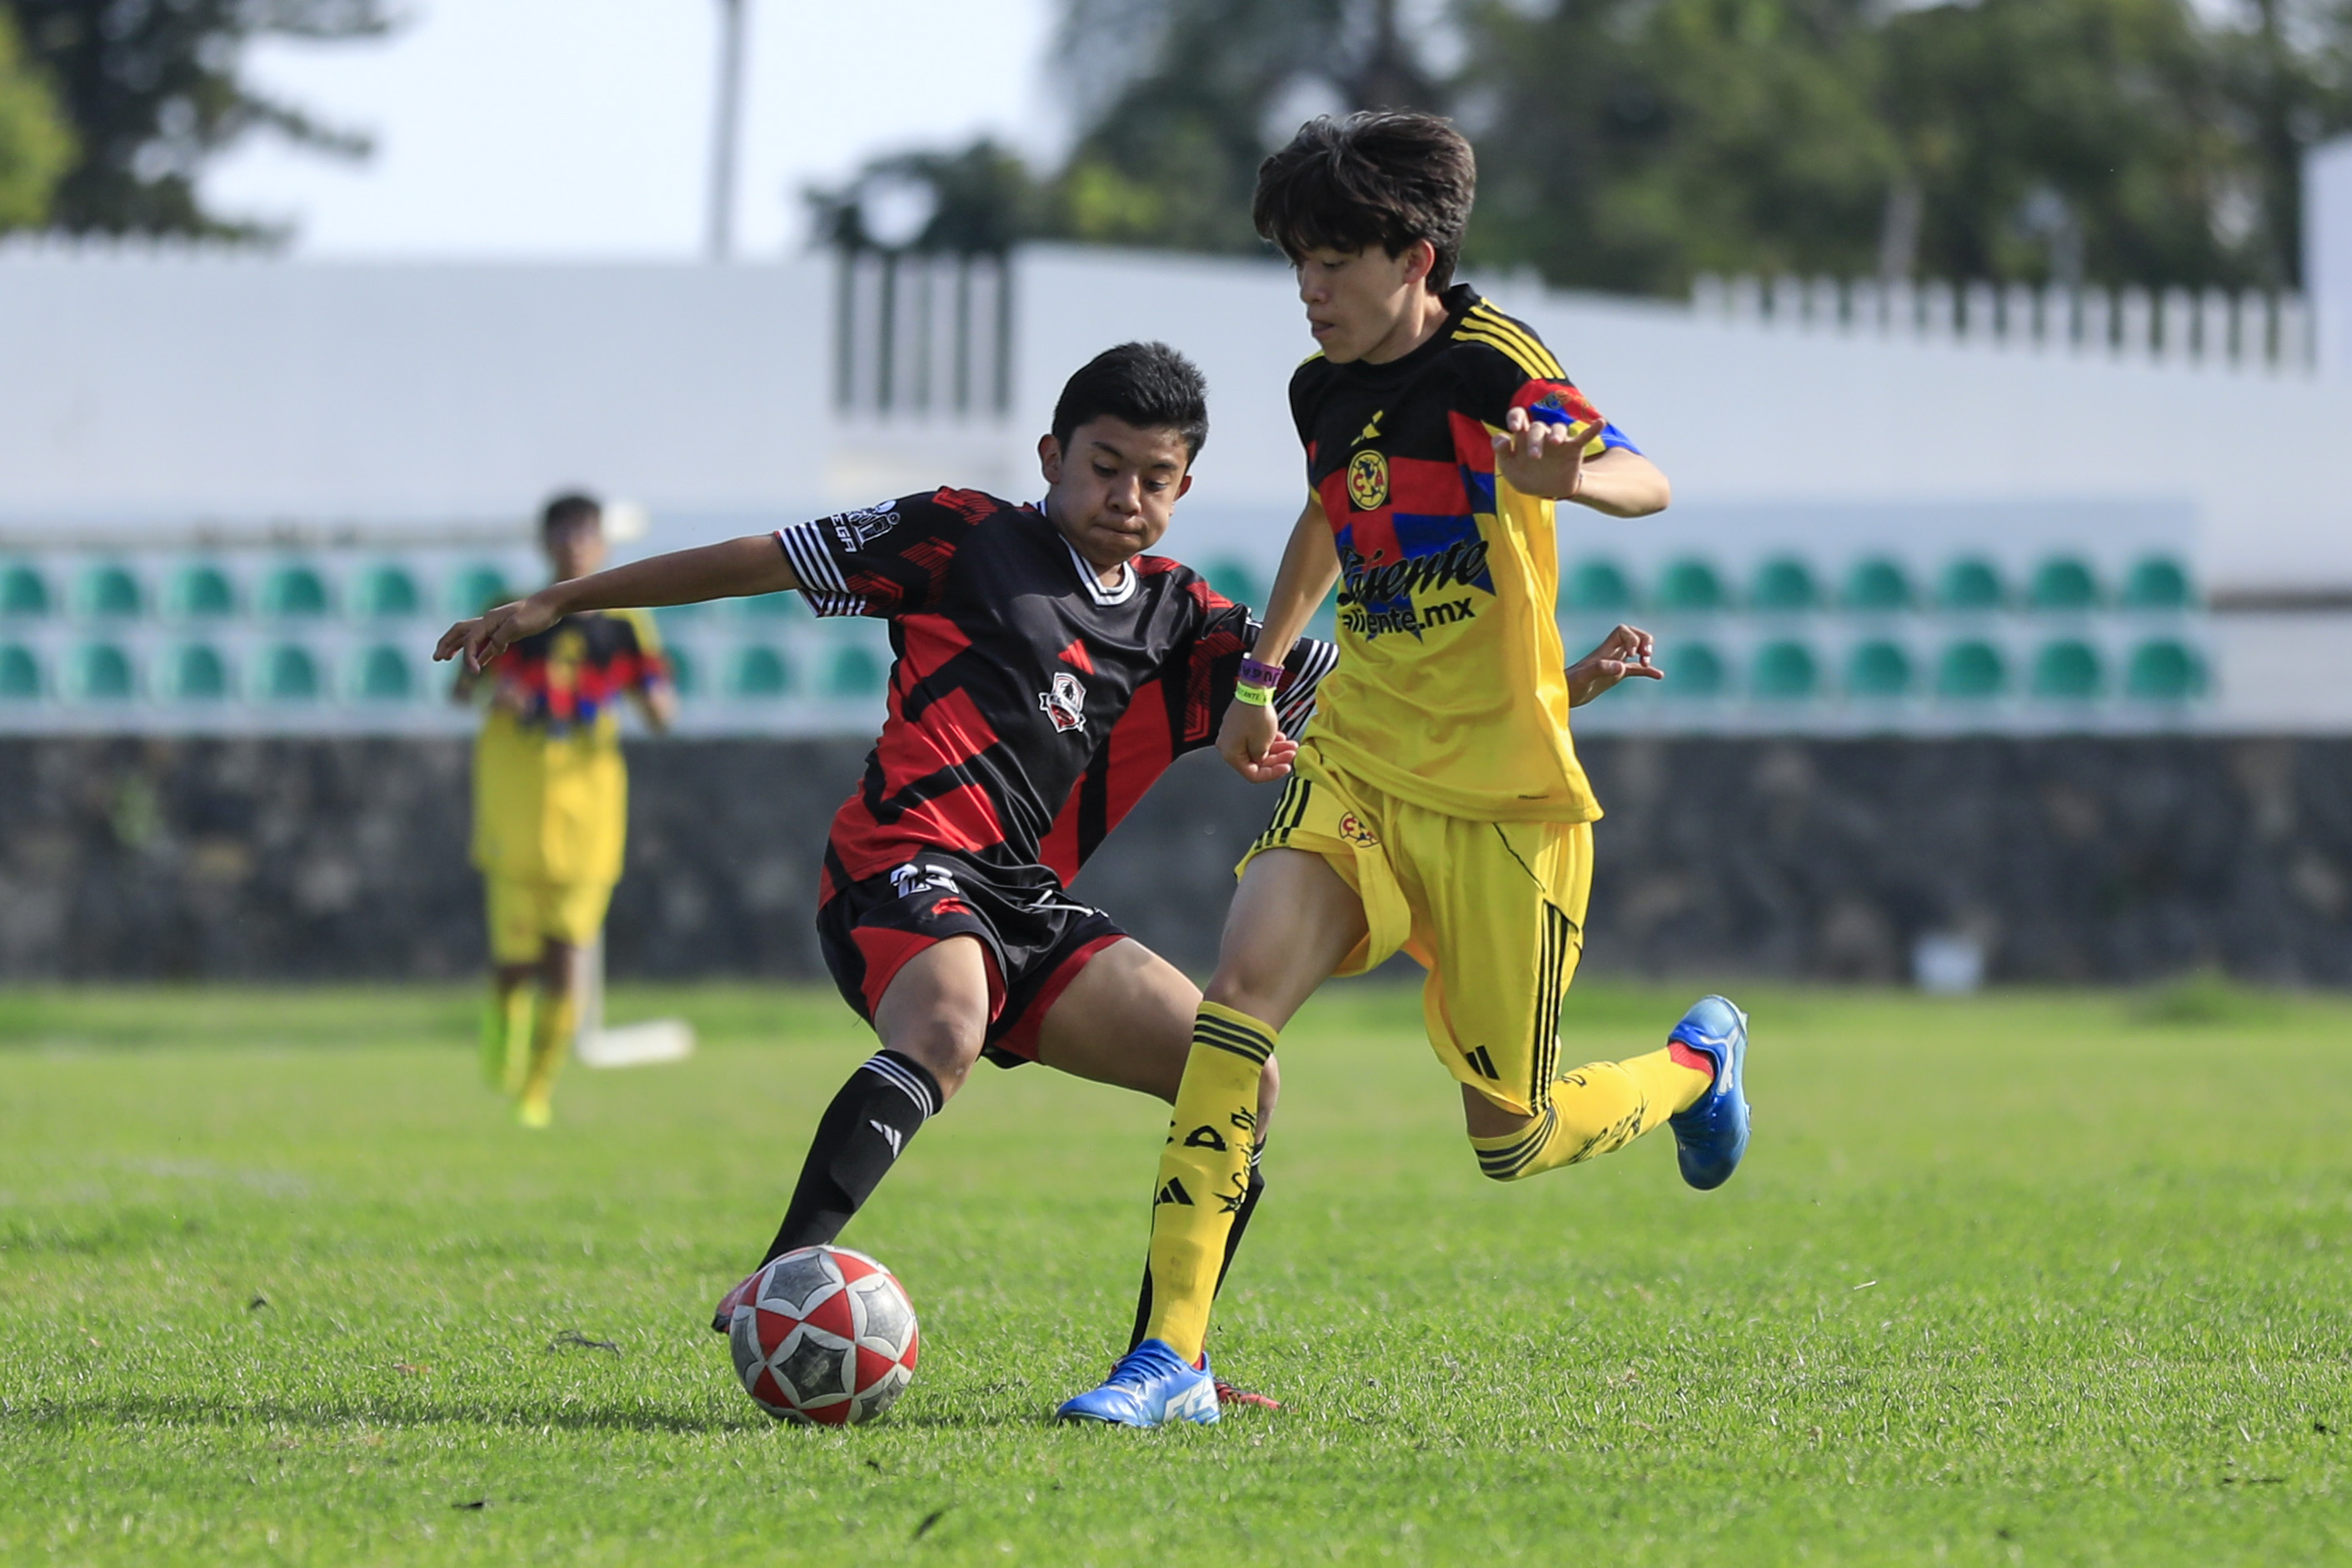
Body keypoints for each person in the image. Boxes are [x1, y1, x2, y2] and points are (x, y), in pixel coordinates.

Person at [440, 344, 1350, 1404]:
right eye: (1105, 466)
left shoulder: (1185, 620)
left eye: (1154, 478)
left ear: (1183, 487)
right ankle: (778, 1274)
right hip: (901, 862)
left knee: (1241, 1075)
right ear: (1052, 456)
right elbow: (759, 558)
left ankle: (1172, 1358)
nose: (1126, 496)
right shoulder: (962, 534)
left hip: (1025, 903)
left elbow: (1372, 702)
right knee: (948, 1022)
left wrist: (1540, 697)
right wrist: (566, 600)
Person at [1056, 112, 1752, 1429]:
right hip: (1360, 755)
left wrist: (1574, 476)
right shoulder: (1321, 389)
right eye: (1295, 264)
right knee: (1237, 996)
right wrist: (1259, 672)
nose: (1307, 289)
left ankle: (1697, 1067)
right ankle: (1169, 1358)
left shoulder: (1494, 365)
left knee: (1515, 1135)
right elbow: (1330, 508)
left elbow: (1644, 474)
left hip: (1502, 797)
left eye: (1331, 261)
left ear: (1412, 256)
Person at [458, 492, 676, 1129]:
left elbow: (660, 706)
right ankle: (503, 1027)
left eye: (587, 531)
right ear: (546, 541)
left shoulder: (626, 625)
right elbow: (461, 686)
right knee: (514, 963)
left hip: (589, 815)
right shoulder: (514, 616)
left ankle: (538, 1089)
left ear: (602, 543)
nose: (575, 542)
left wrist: (654, 701)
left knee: (569, 954)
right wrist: (494, 692)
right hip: (517, 808)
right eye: (564, 531)